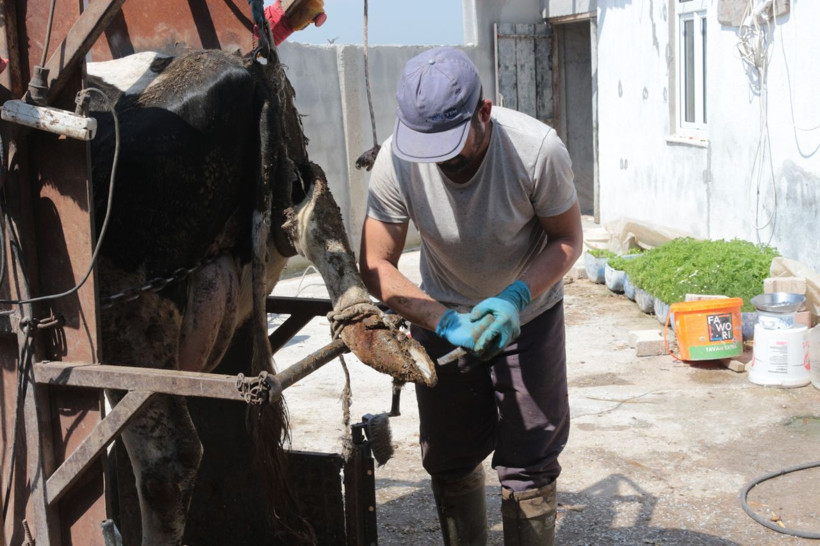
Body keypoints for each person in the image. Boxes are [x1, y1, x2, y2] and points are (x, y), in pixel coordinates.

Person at [359, 47, 584, 545]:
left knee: (531, 458)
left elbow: (568, 238)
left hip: (528, 317)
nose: (441, 160)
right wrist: (442, 321)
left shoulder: (535, 149)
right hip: (443, 316)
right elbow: (375, 264)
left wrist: (516, 296)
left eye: (452, 145)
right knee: (449, 454)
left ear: (484, 111)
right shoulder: (396, 159)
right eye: (429, 148)